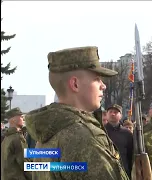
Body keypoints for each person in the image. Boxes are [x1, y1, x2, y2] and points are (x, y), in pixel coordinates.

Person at [25, 46, 129, 180]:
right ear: (75, 84)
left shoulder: (46, 131)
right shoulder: (85, 137)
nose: (103, 85)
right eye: (97, 79)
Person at [1, 107, 31, 180]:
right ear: (13, 120)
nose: (23, 118)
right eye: (20, 116)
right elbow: (24, 163)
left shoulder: (6, 138)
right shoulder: (17, 138)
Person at [105, 104, 133, 178]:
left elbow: (130, 154)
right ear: (106, 114)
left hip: (123, 171)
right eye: (110, 111)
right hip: (105, 171)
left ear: (120, 116)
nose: (112, 114)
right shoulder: (101, 130)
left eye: (115, 112)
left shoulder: (127, 133)